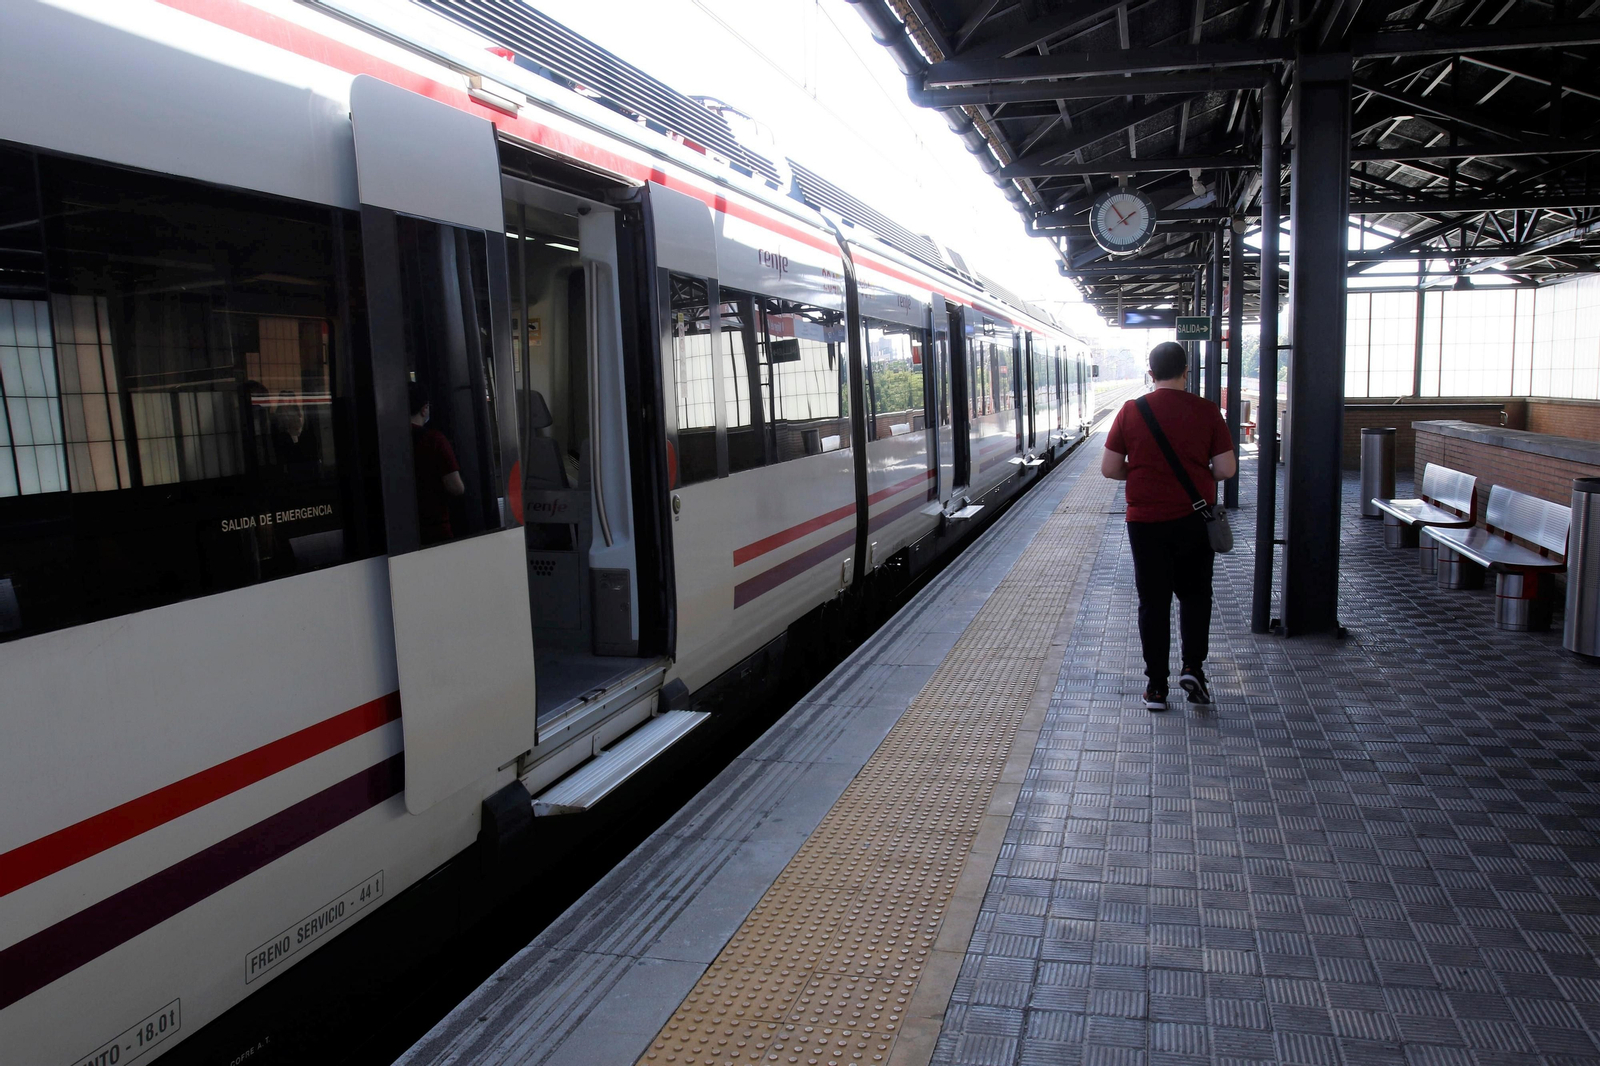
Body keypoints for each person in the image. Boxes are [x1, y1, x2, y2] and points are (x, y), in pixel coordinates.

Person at [1101, 341, 1237, 711]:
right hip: (1195, 519)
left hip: (1145, 522)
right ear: (1186, 373)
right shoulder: (1208, 411)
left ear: (1150, 373)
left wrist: (1144, 471)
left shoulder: (1131, 411)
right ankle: (1193, 668)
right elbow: (1225, 470)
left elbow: (1110, 468)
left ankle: (1157, 688)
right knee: (1195, 595)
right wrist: (1198, 474)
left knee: (1153, 601)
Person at [409, 383, 464, 545]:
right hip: (435, 530)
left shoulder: (387, 440)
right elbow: (456, 487)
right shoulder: (434, 440)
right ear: (424, 409)